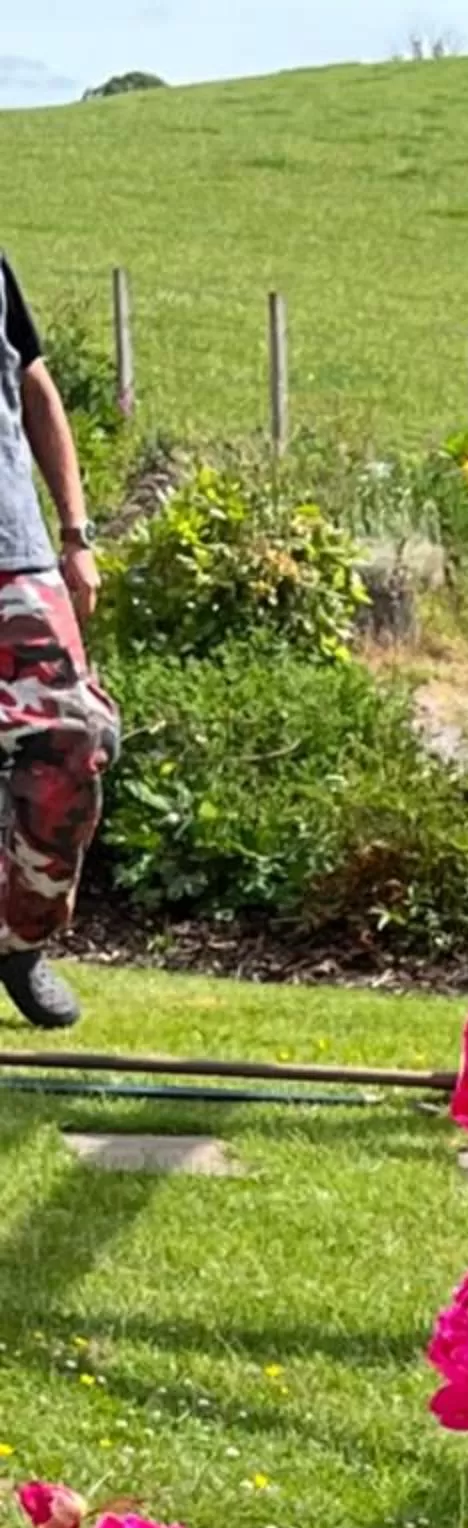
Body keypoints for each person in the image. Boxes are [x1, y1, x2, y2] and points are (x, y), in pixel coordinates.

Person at [0, 249, 117, 1030]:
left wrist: (75, 533)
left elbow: (34, 385)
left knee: (79, 735)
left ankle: (19, 936)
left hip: (15, 551)